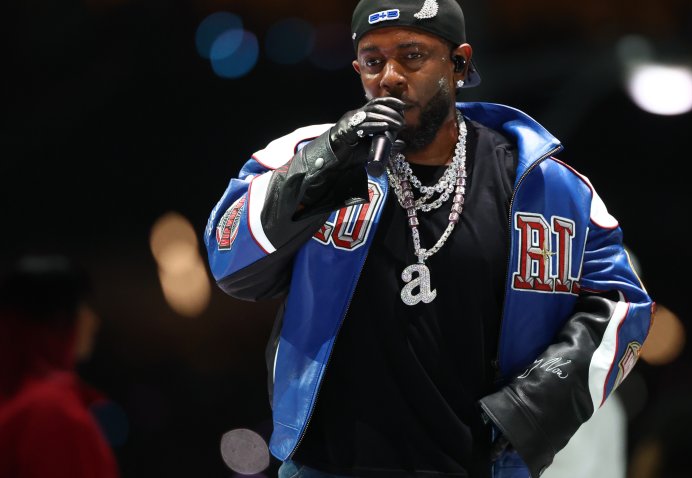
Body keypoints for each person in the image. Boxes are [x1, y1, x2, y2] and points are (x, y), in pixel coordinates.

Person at [204, 1, 653, 477]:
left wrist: (531, 407)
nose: (391, 77)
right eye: (373, 61)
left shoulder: (543, 184)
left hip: (474, 466)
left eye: (412, 55)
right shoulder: (306, 154)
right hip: (327, 465)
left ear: (458, 63)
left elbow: (625, 305)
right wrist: (325, 161)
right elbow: (229, 261)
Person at [0, 255, 120, 478]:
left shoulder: (20, 401)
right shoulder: (52, 413)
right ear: (58, 321)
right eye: (83, 308)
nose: (93, 321)